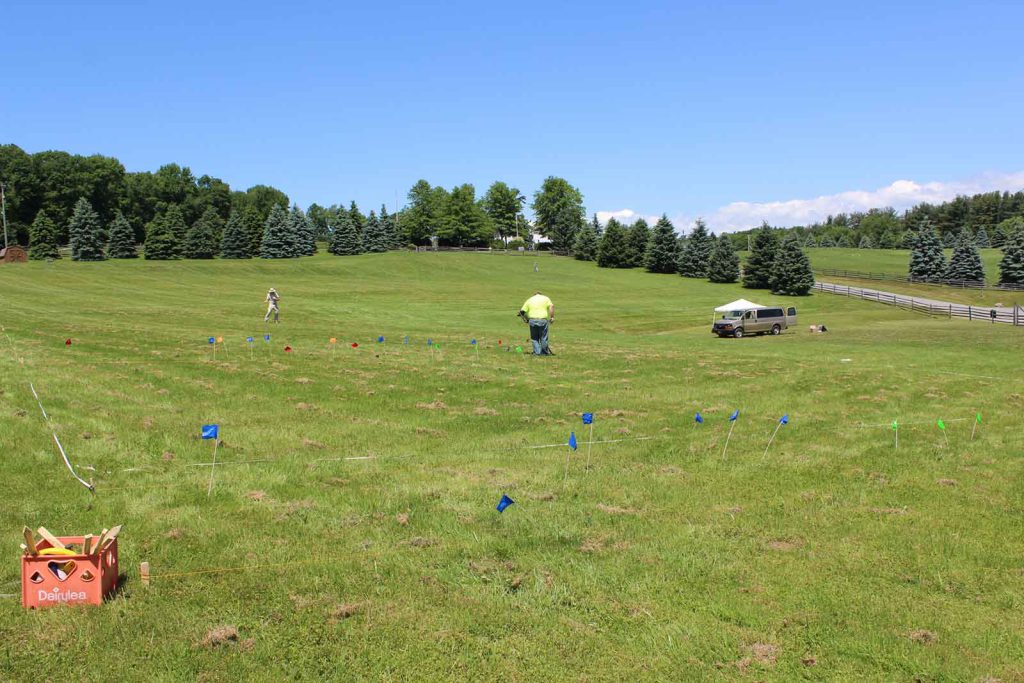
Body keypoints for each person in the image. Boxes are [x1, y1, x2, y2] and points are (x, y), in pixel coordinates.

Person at [519, 290, 554, 355]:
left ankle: (537, 352)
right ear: (541, 294)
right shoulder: (545, 298)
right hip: (543, 320)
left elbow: (521, 312)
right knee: (543, 337)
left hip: (532, 320)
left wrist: (526, 319)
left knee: (534, 338)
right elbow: (551, 306)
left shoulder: (529, 300)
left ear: (534, 295)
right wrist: (552, 317)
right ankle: (544, 353)